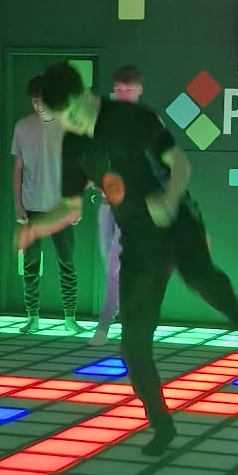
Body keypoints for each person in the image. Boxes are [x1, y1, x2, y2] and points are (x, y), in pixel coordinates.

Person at [18, 62, 238, 456]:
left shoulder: (132, 117)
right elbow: (69, 207)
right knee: (133, 343)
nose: (71, 122)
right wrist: (36, 227)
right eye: (63, 118)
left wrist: (168, 200)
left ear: (84, 94)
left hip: (176, 222)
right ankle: (162, 425)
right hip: (137, 241)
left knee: (204, 281)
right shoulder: (74, 144)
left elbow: (180, 164)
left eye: (72, 112)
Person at [12, 76, 79, 335]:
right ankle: (33, 317)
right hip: (31, 205)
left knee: (67, 263)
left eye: (43, 100)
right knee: (30, 264)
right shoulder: (22, 127)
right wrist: (18, 204)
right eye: (34, 100)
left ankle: (70, 317)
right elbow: (18, 168)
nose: (39, 105)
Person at [92, 63, 143, 345]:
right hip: (106, 204)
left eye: (128, 90)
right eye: (119, 90)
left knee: (116, 266)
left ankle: (106, 325)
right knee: (111, 267)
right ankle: (129, 322)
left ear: (139, 91)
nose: (123, 95)